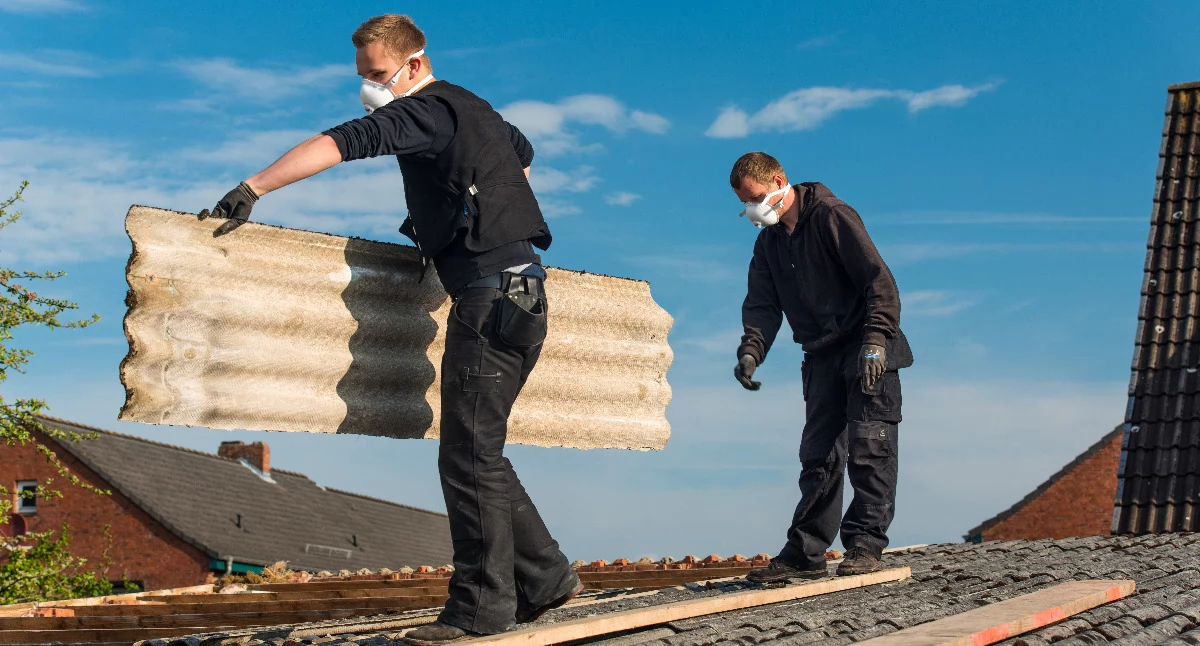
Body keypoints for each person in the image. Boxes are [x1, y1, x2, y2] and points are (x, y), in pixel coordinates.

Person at [197, 14, 581, 644]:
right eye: (362, 76)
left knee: (468, 456)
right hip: (522, 292)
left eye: (377, 75)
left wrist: (253, 187)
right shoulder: (473, 108)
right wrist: (483, 209)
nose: (369, 87)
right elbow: (521, 155)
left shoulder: (425, 110)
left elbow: (343, 141)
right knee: (479, 450)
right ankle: (545, 579)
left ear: (413, 64)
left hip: (491, 298)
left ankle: (480, 609)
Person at [729, 152, 913, 582]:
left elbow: (878, 281)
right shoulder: (769, 244)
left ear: (779, 181)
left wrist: (875, 341)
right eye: (746, 203)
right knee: (818, 456)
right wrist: (751, 351)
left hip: (867, 346)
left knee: (870, 447)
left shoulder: (833, 216)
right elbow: (762, 305)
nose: (754, 209)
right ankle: (806, 553)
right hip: (821, 356)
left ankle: (865, 545)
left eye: (757, 197)